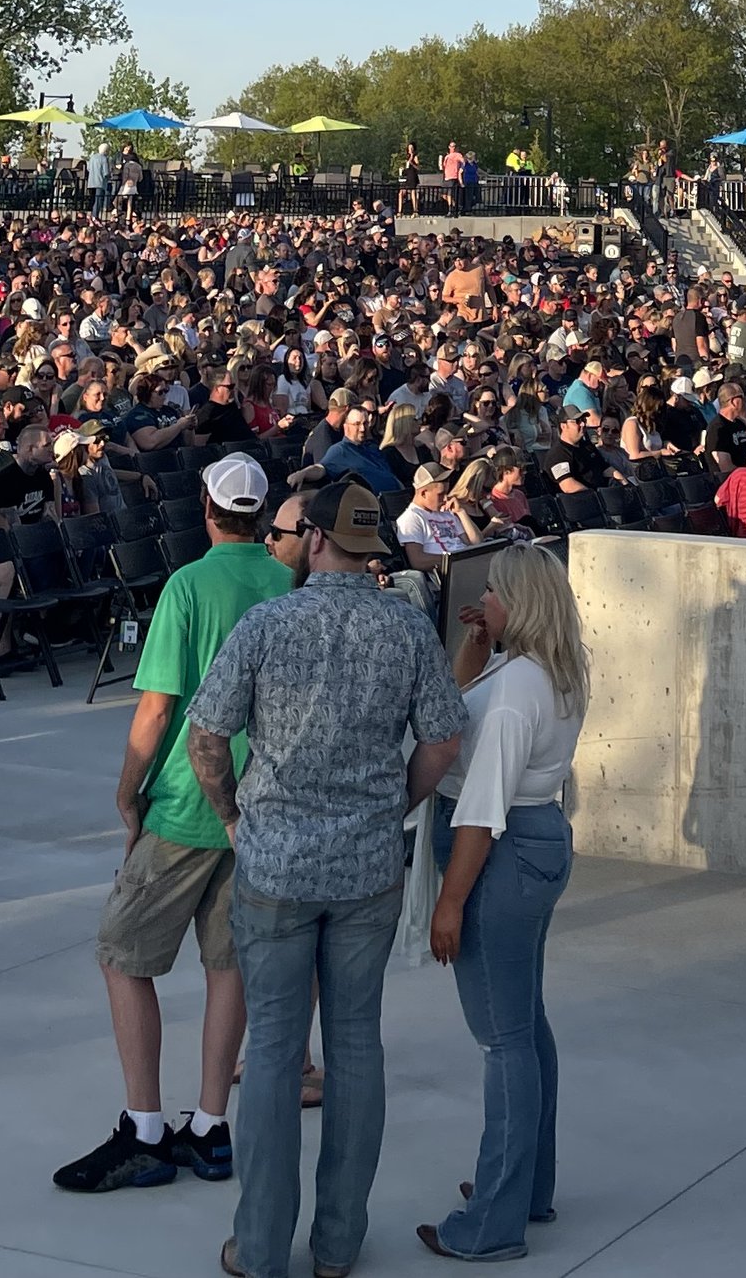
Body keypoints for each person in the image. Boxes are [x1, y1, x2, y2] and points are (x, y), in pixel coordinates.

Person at [185, 475, 466, 1278]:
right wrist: (394, 804)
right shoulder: (407, 627)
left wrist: (234, 817)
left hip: (274, 860)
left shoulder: (267, 623)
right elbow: (442, 742)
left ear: (312, 539)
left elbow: (208, 735)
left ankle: (262, 1245)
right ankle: (338, 1242)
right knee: (355, 1045)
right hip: (367, 865)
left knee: (272, 1051)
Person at [55, 453, 292, 1194]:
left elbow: (157, 706)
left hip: (189, 802)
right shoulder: (288, 585)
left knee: (123, 954)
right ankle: (211, 1123)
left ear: (208, 506)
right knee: (230, 965)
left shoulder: (189, 585)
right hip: (260, 805)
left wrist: (129, 792)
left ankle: (146, 1125)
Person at [421, 544, 589, 1261]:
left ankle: (494, 1218)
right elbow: (457, 711)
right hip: (538, 838)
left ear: (519, 600)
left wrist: (449, 902)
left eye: (492, 593)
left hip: (503, 852)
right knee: (525, 1023)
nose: (481, 600)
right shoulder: (551, 668)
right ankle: (528, 1184)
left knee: (502, 1039)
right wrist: (478, 643)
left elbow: (482, 808)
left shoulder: (520, 689)